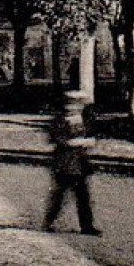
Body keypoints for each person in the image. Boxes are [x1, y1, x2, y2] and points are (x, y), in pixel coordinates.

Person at [43, 91, 98, 235]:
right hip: (64, 164)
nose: (75, 107)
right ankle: (49, 221)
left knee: (83, 196)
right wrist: (76, 142)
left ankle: (87, 226)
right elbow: (57, 139)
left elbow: (91, 135)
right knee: (59, 196)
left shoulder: (82, 120)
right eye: (73, 104)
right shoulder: (59, 120)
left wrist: (89, 142)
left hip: (80, 164)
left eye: (78, 104)